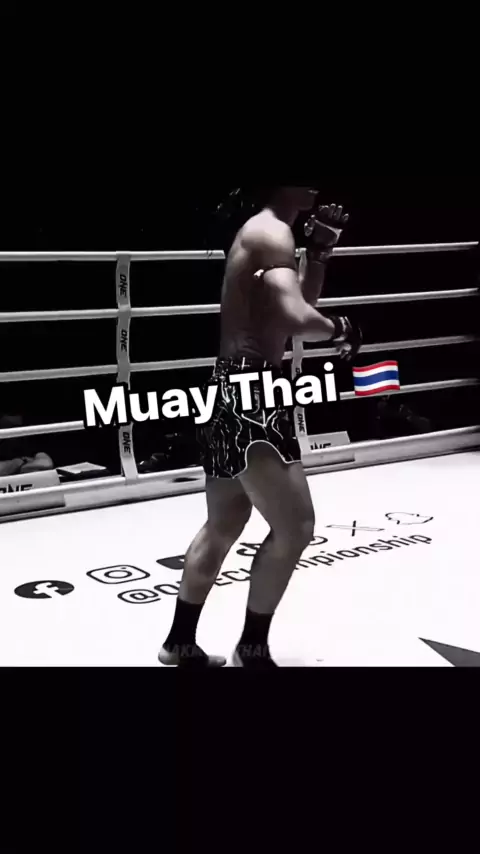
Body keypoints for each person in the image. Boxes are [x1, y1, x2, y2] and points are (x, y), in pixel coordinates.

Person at [159, 186, 362, 668]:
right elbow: (298, 318)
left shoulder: (267, 232)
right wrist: (343, 329)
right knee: (296, 527)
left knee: (224, 522)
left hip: (228, 389)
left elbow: (292, 311)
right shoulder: (270, 232)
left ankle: (179, 643)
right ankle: (252, 649)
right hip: (252, 395)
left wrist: (318, 253)